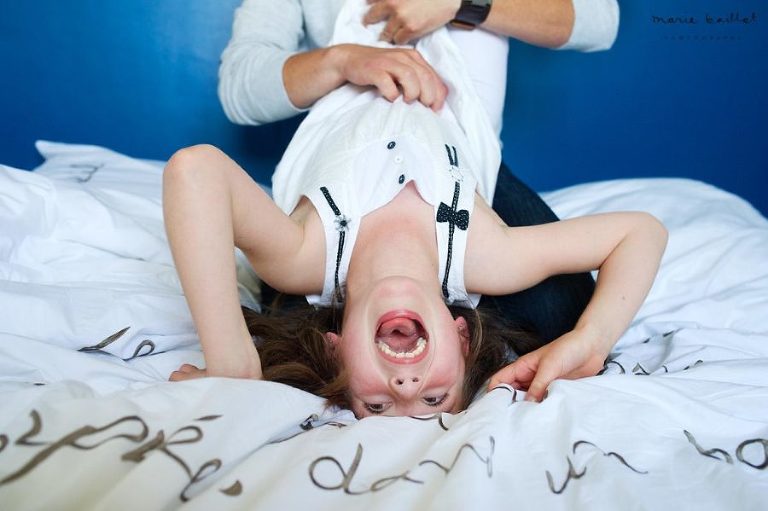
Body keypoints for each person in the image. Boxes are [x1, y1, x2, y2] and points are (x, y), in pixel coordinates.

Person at [163, 0, 666, 418]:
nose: (405, 383)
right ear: (462, 335)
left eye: (377, 403)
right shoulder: (485, 251)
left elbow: (195, 170)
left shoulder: (304, 254)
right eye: (432, 397)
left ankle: (320, 331)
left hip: (339, 218)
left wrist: (232, 360)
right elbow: (642, 232)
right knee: (568, 314)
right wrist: (593, 340)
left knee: (282, 306)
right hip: (456, 144)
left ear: (335, 345)